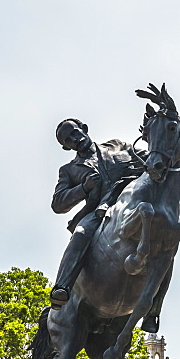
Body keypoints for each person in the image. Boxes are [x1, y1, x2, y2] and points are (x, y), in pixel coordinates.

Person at [49, 118, 147, 313]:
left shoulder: (118, 146)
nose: (75, 139)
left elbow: (147, 159)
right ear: (66, 148)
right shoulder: (68, 170)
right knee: (81, 233)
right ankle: (62, 287)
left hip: (129, 202)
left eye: (75, 133)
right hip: (98, 212)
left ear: (84, 128)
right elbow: (58, 204)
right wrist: (83, 188)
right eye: (68, 140)